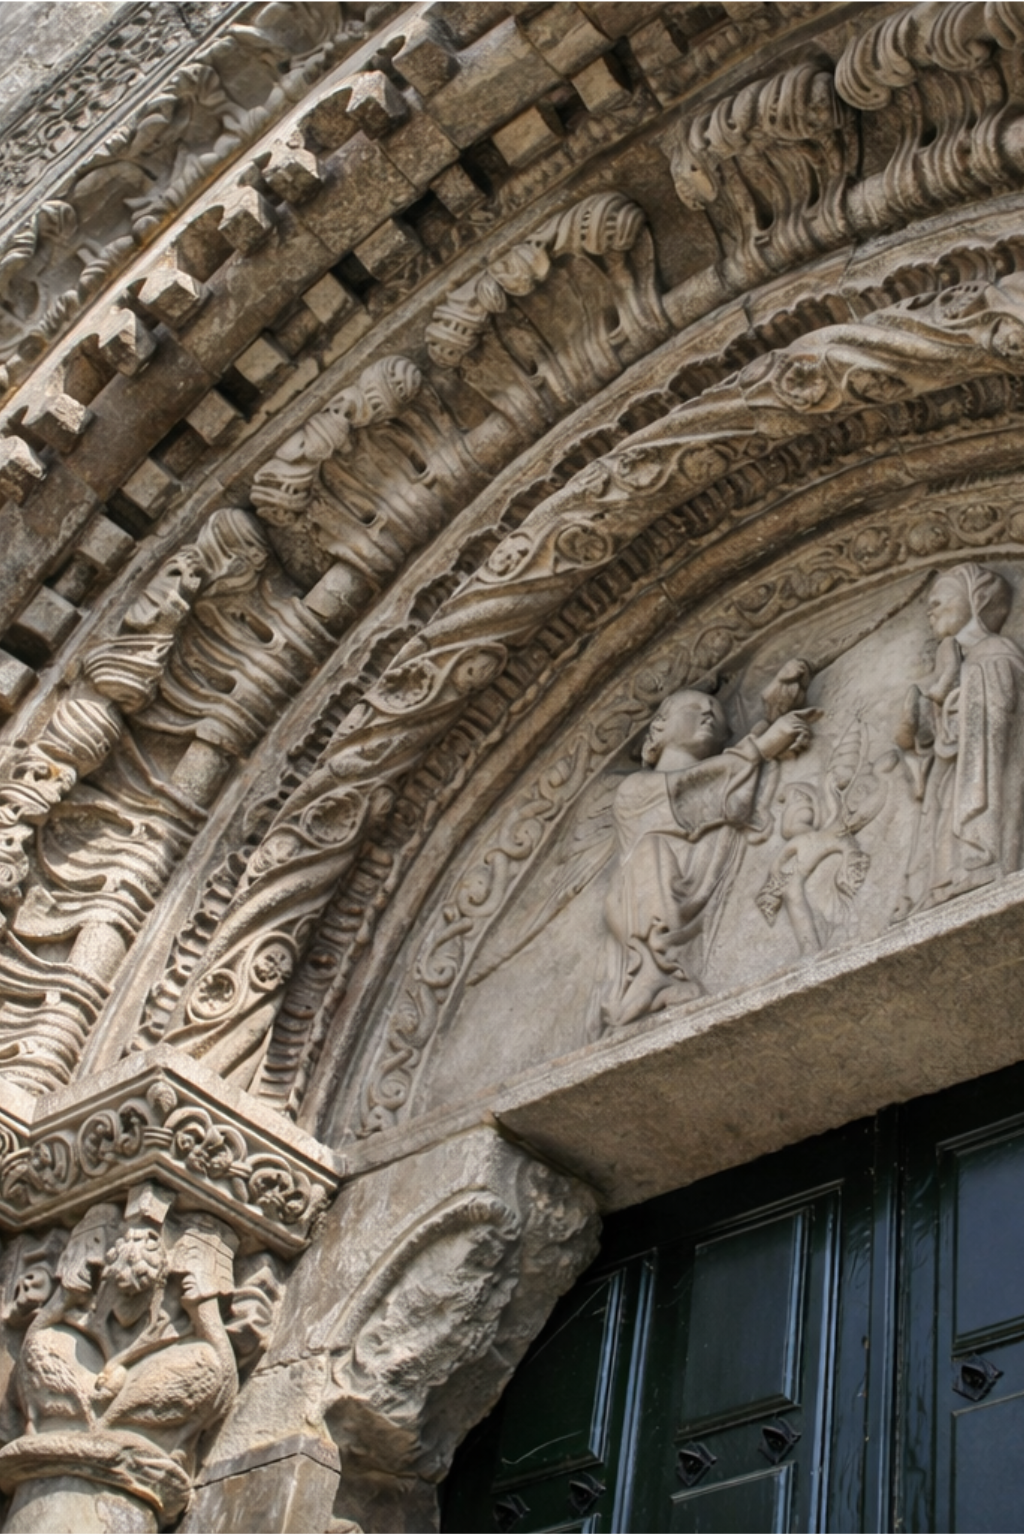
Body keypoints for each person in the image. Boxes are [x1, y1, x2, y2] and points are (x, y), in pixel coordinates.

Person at [601, 687, 814, 1029]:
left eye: (716, 711)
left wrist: (774, 711)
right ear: (657, 729)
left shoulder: (723, 777)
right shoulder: (634, 789)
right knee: (649, 851)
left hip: (703, 882)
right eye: (694, 707)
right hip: (643, 903)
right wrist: (761, 746)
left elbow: (730, 803)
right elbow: (690, 792)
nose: (708, 715)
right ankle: (653, 974)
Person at [895, 563, 1024, 914]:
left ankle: (979, 861)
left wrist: (948, 687)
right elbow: (924, 736)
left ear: (977, 600)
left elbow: (996, 720)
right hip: (953, 776)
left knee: (966, 833)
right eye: (929, 603)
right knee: (941, 832)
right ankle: (941, 886)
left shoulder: (995, 652)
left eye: (942, 600)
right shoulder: (958, 660)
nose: (930, 609)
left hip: (983, 777)